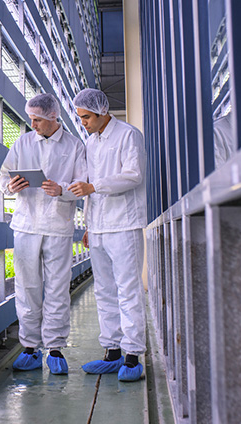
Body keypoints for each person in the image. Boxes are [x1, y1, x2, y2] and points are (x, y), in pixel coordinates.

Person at [0, 93, 87, 375]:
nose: (32, 124)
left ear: (52, 118)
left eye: (37, 119)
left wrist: (61, 190)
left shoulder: (74, 146)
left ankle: (56, 347)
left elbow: (82, 183)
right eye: (31, 119)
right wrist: (10, 187)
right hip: (26, 225)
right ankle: (30, 347)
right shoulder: (23, 143)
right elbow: (3, 176)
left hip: (58, 227)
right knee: (26, 287)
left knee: (58, 288)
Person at [66, 88, 147, 382]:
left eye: (86, 117)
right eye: (81, 118)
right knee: (104, 291)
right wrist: (88, 224)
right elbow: (87, 188)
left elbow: (134, 175)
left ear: (101, 112)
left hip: (124, 224)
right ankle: (112, 352)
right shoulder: (91, 142)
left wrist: (94, 186)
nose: (83, 122)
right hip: (98, 228)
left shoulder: (128, 135)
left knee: (128, 290)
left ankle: (133, 356)